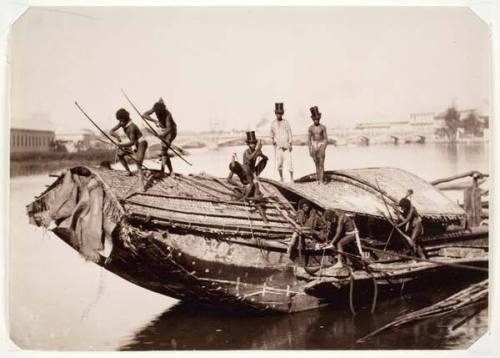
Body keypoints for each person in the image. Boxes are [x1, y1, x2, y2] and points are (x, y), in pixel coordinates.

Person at [110, 108, 148, 191]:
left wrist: (120, 144)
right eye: (119, 121)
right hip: (134, 144)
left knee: (138, 163)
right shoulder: (122, 122)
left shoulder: (131, 127)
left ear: (125, 119)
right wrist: (117, 137)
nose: (120, 123)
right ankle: (128, 171)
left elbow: (132, 142)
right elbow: (111, 131)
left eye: (121, 120)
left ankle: (142, 186)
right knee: (120, 154)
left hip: (141, 143)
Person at [227, 154, 268, 223]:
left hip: (254, 185)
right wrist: (239, 185)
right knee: (235, 191)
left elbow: (252, 184)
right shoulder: (235, 168)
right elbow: (229, 179)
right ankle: (247, 197)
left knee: (257, 203)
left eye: (238, 173)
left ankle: (265, 220)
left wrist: (246, 197)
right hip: (246, 186)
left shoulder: (245, 170)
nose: (237, 174)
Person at [142, 98, 177, 176]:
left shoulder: (167, 114)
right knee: (164, 151)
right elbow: (144, 115)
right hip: (164, 129)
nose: (157, 114)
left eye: (159, 114)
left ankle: (165, 171)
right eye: (156, 113)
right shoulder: (155, 108)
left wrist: (162, 135)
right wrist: (155, 121)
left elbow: (169, 128)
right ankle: (167, 171)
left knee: (164, 150)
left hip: (171, 131)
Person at [270, 102, 293, 182]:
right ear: (275, 114)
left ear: (282, 113)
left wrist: (290, 143)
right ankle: (281, 178)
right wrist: (273, 140)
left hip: (286, 146)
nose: (279, 115)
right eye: (277, 113)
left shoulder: (286, 122)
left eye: (280, 113)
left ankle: (292, 179)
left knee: (289, 163)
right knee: (279, 164)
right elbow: (271, 133)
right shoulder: (273, 123)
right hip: (279, 147)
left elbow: (289, 133)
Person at [307, 106, 328, 184]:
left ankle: (321, 180)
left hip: (321, 144)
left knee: (321, 163)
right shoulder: (310, 128)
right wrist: (310, 149)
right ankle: (318, 179)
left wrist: (323, 147)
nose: (316, 120)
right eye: (315, 119)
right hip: (314, 145)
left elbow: (326, 139)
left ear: (319, 118)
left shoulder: (323, 127)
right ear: (312, 119)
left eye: (317, 119)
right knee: (316, 163)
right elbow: (309, 140)